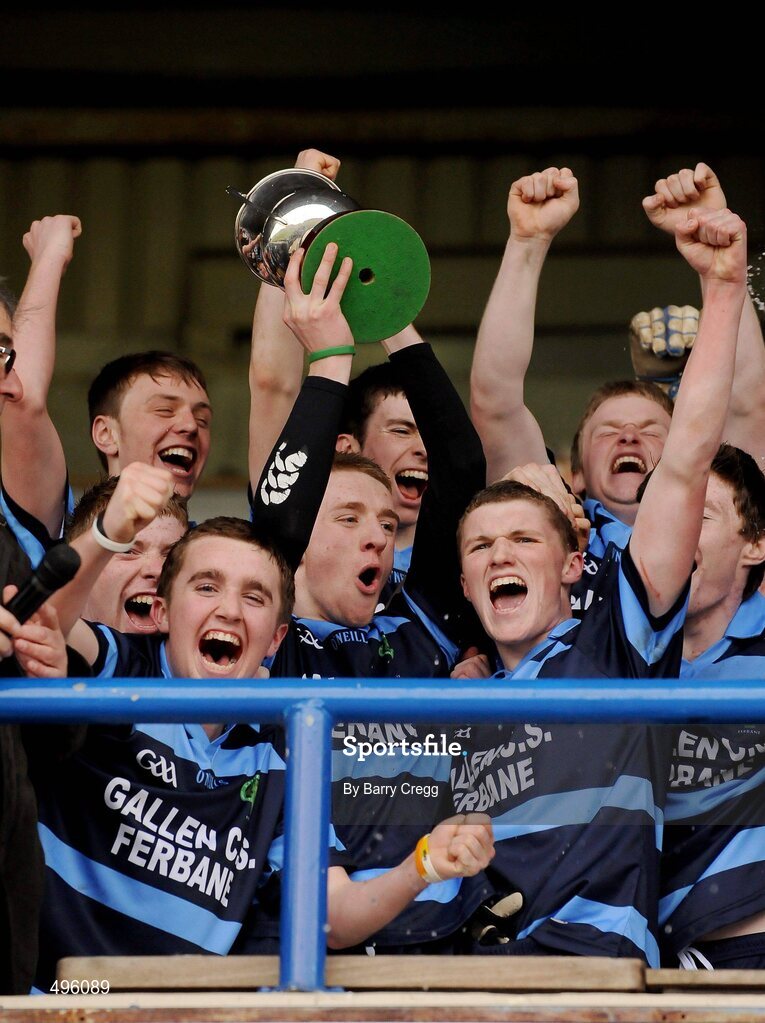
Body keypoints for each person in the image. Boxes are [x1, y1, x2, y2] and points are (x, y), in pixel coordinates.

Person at [454, 203, 748, 963]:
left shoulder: (616, 641)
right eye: (480, 545)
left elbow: (686, 461)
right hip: (466, 979)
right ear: (461, 579)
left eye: (522, 537)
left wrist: (720, 289)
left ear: (572, 563)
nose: (499, 555)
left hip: (589, 974)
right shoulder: (452, 692)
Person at [469, 163, 765, 612]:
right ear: (577, 475)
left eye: (651, 430)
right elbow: (496, 402)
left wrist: (718, 257)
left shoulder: (722, 513)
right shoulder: (550, 522)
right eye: (608, 431)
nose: (629, 436)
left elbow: (747, 404)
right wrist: (527, 244)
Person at [0, 215, 212, 569]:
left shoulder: (211, 551)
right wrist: (50, 258)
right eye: (164, 410)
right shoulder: (62, 529)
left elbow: (274, 388)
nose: (190, 426)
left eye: (203, 418)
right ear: (106, 433)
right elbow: (26, 402)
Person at [659, 443, 765, 969]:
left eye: (698, 515)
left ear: (755, 544)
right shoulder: (605, 650)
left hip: (748, 945)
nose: (673, 529)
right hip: (638, 948)